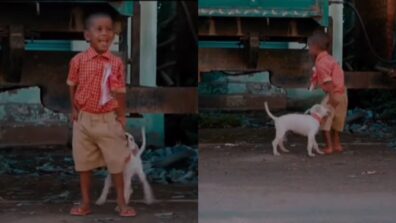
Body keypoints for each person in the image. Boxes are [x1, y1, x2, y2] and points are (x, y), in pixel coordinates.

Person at [66, 12, 135, 217]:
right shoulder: (78, 61)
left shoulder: (116, 63)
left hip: (108, 120)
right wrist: (74, 108)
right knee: (83, 164)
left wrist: (121, 116)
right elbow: (72, 85)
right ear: (87, 35)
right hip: (84, 120)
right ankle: (86, 203)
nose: (105, 34)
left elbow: (120, 91)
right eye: (99, 29)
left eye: (109, 29)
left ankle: (121, 203)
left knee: (116, 164)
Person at [308, 31, 348, 155]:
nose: (308, 50)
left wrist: (331, 98)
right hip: (342, 92)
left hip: (333, 94)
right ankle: (337, 145)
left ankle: (329, 147)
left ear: (315, 47)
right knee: (338, 119)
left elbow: (329, 82)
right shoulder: (330, 59)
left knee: (323, 119)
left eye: (309, 47)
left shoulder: (321, 63)